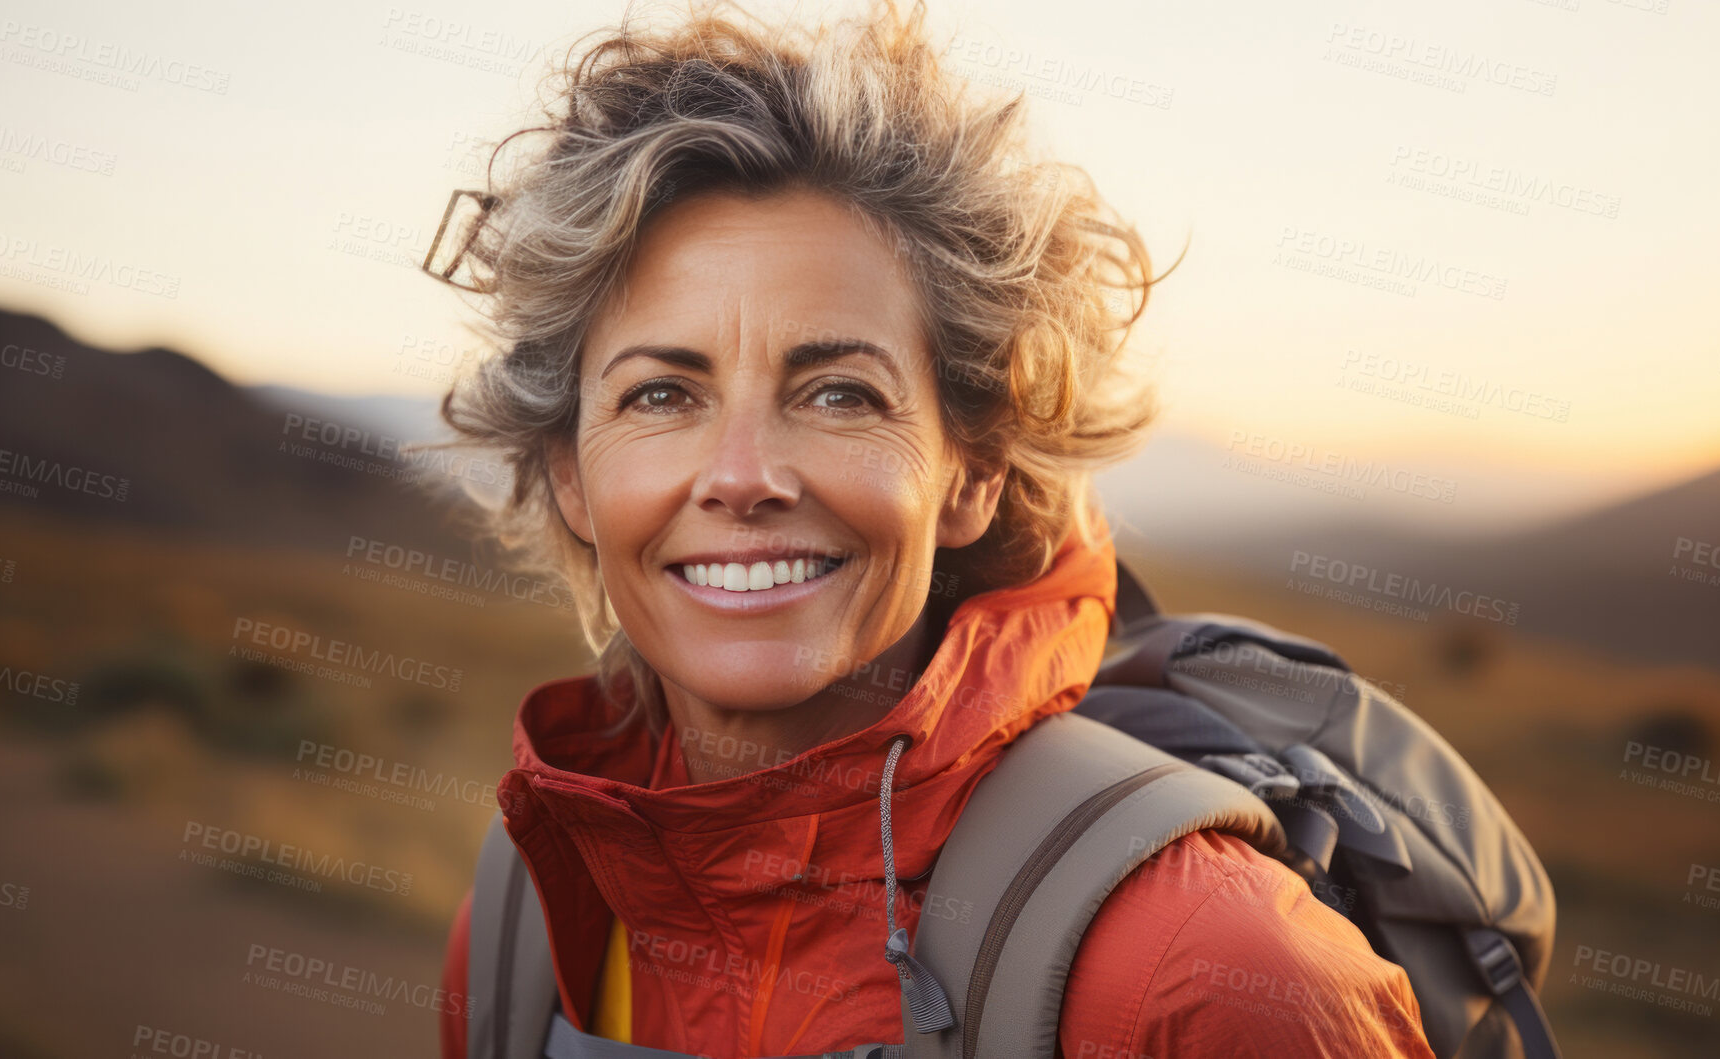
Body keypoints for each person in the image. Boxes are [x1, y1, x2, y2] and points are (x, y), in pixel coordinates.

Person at [429, 2, 1434, 1055]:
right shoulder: (529, 917)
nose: (741, 477)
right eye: (659, 397)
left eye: (838, 395)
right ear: (570, 478)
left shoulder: (1207, 971)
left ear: (972, 473)